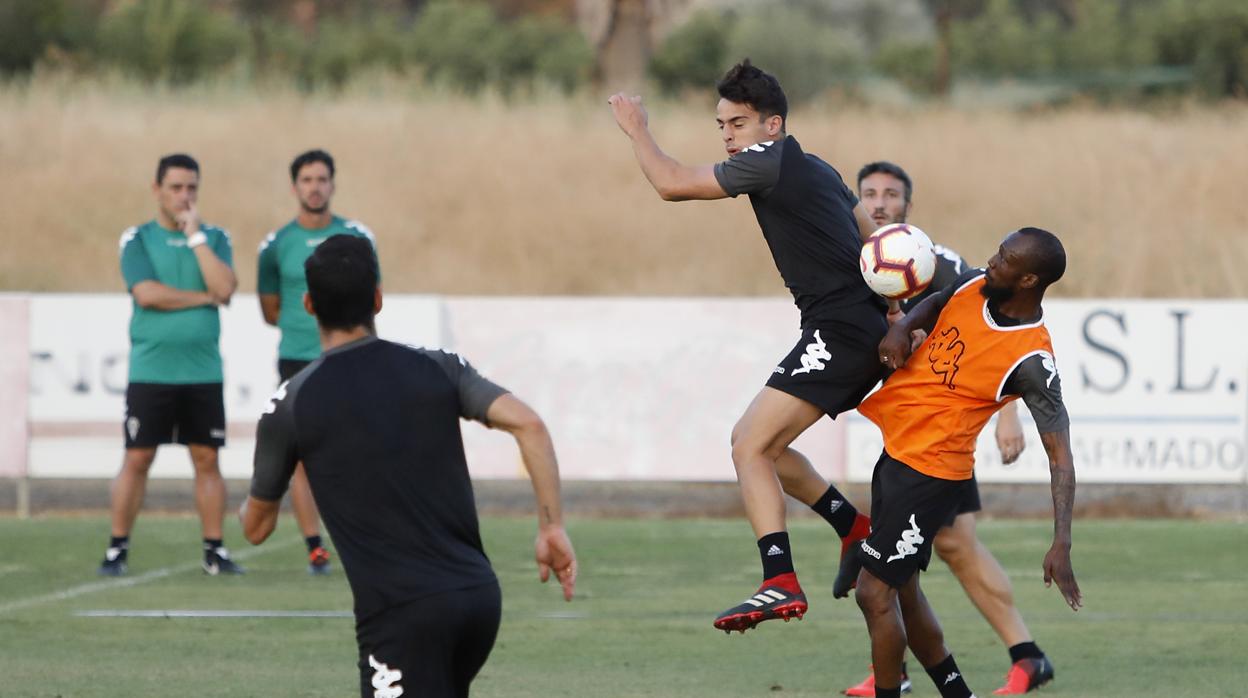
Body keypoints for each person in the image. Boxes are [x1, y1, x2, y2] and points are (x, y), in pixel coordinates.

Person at [609, 59, 881, 633]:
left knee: (747, 446)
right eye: (722, 126)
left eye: (737, 123)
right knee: (769, 449)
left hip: (841, 331)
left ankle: (779, 580)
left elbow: (671, 183)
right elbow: (874, 245)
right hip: (851, 328)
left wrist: (637, 128)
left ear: (772, 125)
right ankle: (853, 529)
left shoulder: (770, 162)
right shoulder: (821, 168)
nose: (728, 136)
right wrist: (897, 313)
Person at [240, 235, 577, 697]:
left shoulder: (291, 402)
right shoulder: (439, 367)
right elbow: (530, 426)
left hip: (403, 616)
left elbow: (255, 529)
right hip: (478, 600)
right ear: (378, 299)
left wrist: (257, 486)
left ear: (308, 305)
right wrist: (551, 527)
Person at [829, 162, 1050, 695]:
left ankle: (1021, 654)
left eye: (891, 195)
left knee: (945, 548)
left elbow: (997, 331)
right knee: (922, 556)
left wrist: (1007, 415)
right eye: (870, 195)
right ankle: (947, 666)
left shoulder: (937, 262)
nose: (880, 204)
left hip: (944, 435)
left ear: (909, 206)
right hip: (909, 429)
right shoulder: (860, 263)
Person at [98, 153, 242, 577]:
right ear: (156, 189)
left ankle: (214, 551)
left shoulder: (214, 237)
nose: (184, 195)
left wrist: (195, 238)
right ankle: (117, 548)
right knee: (138, 457)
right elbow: (147, 294)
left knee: (207, 459)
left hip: (203, 371)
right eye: (176, 187)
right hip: (152, 371)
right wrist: (201, 299)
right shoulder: (137, 238)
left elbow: (225, 287)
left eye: (191, 187)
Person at [257, 148, 378, 575]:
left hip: (351, 357)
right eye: (307, 180)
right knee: (304, 457)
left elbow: (370, 298)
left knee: (361, 450)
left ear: (333, 183)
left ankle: (365, 537)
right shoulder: (275, 246)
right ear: (295, 187)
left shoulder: (357, 236)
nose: (315, 187)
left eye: (322, 179)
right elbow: (270, 308)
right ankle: (315, 547)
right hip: (298, 360)